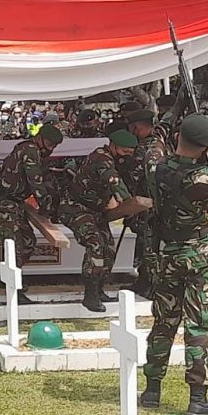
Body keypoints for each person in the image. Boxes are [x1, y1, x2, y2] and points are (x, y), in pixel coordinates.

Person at [140, 113, 208, 415]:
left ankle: (152, 390)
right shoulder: (203, 178)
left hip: (164, 253)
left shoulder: (157, 169)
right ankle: (198, 398)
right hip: (197, 255)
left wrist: (163, 133)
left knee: (164, 321)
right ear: (204, 146)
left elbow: (154, 150)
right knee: (198, 325)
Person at [58, 129, 136, 311]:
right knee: (95, 244)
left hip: (95, 212)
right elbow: (113, 180)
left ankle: (100, 288)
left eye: (130, 153)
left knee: (108, 248)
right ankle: (90, 294)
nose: (127, 157)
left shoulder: (113, 159)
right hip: (75, 208)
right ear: (113, 146)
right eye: (125, 152)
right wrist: (128, 202)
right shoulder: (102, 158)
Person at [0, 123, 64, 303]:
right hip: (3, 203)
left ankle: (14, 279)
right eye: (50, 144)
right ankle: (13, 288)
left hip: (15, 203)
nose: (50, 149)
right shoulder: (30, 151)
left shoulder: (27, 148)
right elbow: (36, 183)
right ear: (40, 138)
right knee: (14, 246)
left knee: (28, 242)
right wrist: (47, 208)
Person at [124, 108, 168, 298]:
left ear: (136, 128)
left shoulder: (145, 149)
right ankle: (144, 279)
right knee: (147, 243)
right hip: (156, 202)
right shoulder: (159, 140)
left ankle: (150, 283)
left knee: (148, 244)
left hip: (148, 204)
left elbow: (135, 178)